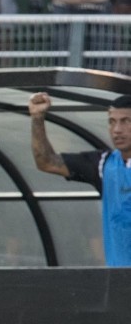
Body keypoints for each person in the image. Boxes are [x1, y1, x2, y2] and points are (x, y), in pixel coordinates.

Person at [28, 92, 131, 267]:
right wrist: (37, 118)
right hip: (118, 282)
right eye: (112, 122)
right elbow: (46, 162)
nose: (117, 130)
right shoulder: (103, 164)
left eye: (126, 121)